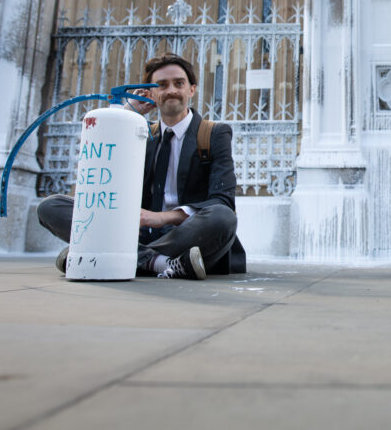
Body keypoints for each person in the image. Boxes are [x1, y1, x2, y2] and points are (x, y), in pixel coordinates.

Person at [38, 53, 245, 280]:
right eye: (162, 85)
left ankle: (116, 255)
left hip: (187, 234)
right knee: (50, 207)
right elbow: (105, 169)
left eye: (179, 83)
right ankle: (159, 262)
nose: (171, 90)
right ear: (152, 94)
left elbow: (222, 200)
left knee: (223, 217)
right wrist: (127, 112)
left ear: (191, 90)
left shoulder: (214, 133)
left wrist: (160, 217)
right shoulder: (138, 131)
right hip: (136, 232)